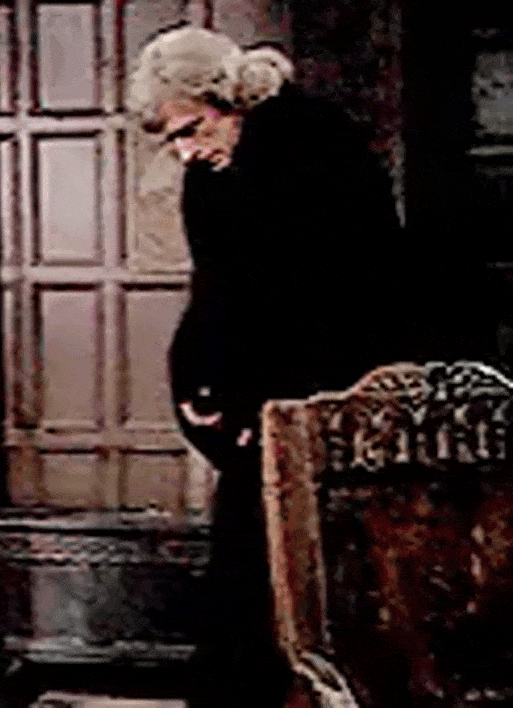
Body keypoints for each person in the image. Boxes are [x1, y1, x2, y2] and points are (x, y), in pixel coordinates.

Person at [127, 26, 422, 708]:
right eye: (173, 139)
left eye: (192, 129)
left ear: (228, 100)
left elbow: (329, 289)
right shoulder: (213, 173)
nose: (186, 150)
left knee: (310, 576)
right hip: (260, 400)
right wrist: (202, 383)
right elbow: (218, 289)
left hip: (328, 390)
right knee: (251, 569)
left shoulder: (314, 145)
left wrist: (240, 392)